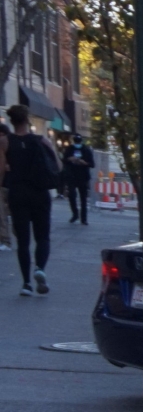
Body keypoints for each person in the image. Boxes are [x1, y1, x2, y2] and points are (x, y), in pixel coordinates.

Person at [2, 106, 60, 295]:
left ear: (12, 121)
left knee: (24, 241)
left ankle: (26, 283)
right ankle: (40, 269)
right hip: (40, 193)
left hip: (18, 193)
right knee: (42, 236)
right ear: (27, 120)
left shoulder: (5, 142)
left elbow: (1, 171)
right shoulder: (41, 141)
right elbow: (56, 165)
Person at [56, 130, 92, 225]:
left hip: (83, 176)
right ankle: (75, 214)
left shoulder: (86, 150)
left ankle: (84, 218)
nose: (77, 144)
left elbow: (92, 163)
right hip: (71, 176)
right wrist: (69, 159)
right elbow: (64, 160)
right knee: (72, 196)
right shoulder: (69, 149)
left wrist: (84, 163)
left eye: (78, 142)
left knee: (83, 198)